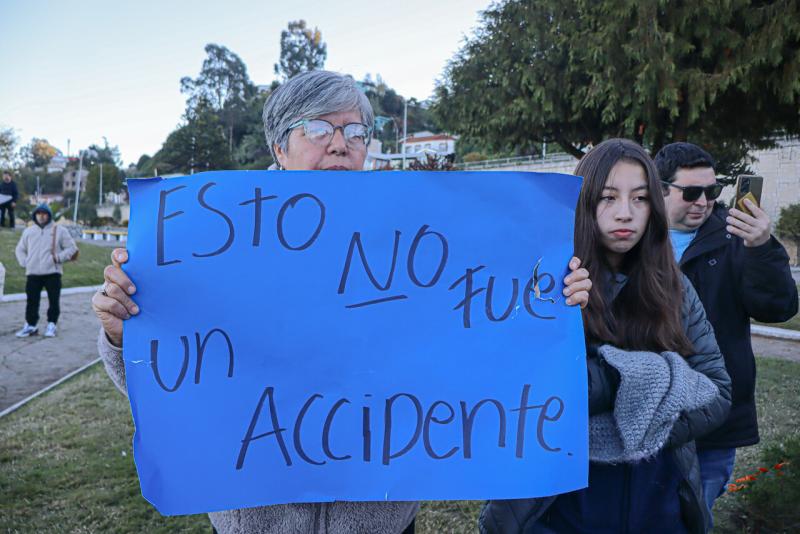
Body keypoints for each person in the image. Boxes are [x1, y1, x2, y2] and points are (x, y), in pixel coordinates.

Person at [91, 70, 593, 534]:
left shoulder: (415, 236)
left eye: (355, 133)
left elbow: (479, 330)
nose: (339, 145)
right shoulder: (207, 239)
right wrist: (121, 333)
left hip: (379, 519)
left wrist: (549, 301)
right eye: (318, 128)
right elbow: (166, 380)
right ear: (278, 146)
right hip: (261, 517)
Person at [481, 139, 732, 534]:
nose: (625, 213)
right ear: (583, 203)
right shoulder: (544, 284)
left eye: (640, 198)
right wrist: (564, 325)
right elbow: (513, 392)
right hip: (556, 506)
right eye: (608, 197)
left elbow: (718, 393)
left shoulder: (677, 290)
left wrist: (639, 421)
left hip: (659, 504)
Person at [655, 142, 798, 518]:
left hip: (712, 420)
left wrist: (763, 247)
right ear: (659, 189)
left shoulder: (737, 238)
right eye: (691, 192)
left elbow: (778, 307)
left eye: (711, 191)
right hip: (647, 414)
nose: (703, 202)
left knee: (694, 517)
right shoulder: (634, 239)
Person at [15, 203, 78, 337]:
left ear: (49, 215)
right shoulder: (28, 231)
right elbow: (20, 249)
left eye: (44, 213)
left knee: (53, 301)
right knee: (32, 301)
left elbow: (72, 248)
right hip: (32, 273)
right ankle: (31, 325)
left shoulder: (59, 230)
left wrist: (58, 258)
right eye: (39, 213)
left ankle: (51, 325)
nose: (41, 216)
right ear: (35, 215)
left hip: (52, 273)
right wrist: (25, 262)